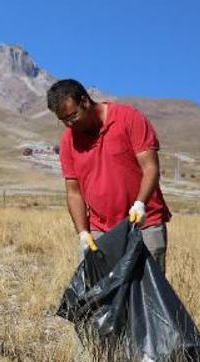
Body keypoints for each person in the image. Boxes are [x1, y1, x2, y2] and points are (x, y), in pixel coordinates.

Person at [47, 79, 171, 270]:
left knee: (147, 297)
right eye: (63, 121)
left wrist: (140, 204)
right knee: (101, 296)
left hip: (144, 224)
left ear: (85, 102)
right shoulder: (69, 141)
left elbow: (151, 168)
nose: (69, 124)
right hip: (101, 231)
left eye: (72, 116)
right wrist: (83, 233)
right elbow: (74, 192)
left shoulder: (128, 118)